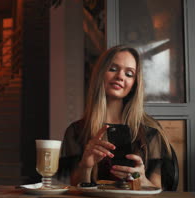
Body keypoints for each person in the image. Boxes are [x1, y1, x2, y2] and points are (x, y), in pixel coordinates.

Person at [57, 45, 175, 190]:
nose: (120, 76)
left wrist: (142, 180)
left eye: (129, 74)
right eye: (113, 69)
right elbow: (75, 191)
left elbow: (159, 194)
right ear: (101, 74)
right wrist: (86, 167)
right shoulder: (76, 131)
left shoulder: (150, 132)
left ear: (134, 84)